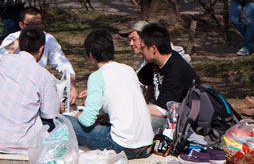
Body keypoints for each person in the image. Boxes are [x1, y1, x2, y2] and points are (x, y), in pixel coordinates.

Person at [0, 27, 60, 154]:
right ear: (41, 49)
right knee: (55, 124)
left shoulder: (5, 61)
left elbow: (1, 52)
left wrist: (19, 41)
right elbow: (51, 114)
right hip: (19, 145)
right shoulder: (44, 75)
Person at [68, 29, 153, 159]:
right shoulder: (128, 70)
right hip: (146, 144)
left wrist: (78, 115)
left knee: (65, 121)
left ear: (90, 55)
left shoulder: (97, 76)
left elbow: (87, 120)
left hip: (122, 145)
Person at [0, 6, 78, 104]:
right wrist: (20, 40)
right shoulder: (13, 38)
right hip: (12, 88)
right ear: (21, 25)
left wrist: (72, 83)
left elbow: (63, 64)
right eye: (30, 25)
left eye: (38, 24)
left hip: (36, 86)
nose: (34, 29)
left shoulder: (48, 39)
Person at [137, 23, 200, 133]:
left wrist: (129, 108)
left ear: (153, 49)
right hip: (162, 113)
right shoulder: (156, 63)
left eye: (142, 48)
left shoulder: (176, 70)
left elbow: (162, 110)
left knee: (135, 124)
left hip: (179, 121)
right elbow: (137, 80)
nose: (141, 51)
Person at [119, 20, 191, 78]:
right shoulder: (146, 59)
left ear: (144, 38)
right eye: (129, 40)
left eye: (134, 39)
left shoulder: (171, 62)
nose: (130, 44)